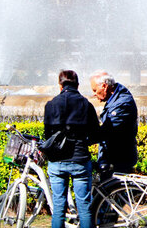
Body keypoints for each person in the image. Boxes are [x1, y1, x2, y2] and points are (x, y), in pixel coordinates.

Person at [44, 70, 100, 228]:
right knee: (84, 207)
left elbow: (48, 134)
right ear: (77, 85)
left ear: (60, 85)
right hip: (80, 160)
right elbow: (95, 133)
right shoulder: (86, 104)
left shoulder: (51, 104)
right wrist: (83, 142)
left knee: (59, 208)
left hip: (57, 161)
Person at [90, 71, 138, 176]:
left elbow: (107, 131)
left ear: (104, 86)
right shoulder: (118, 98)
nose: (93, 94)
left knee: (112, 189)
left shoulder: (122, 102)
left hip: (118, 159)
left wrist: (83, 140)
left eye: (95, 90)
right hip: (115, 157)